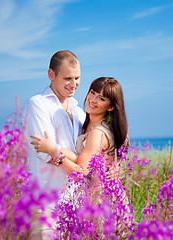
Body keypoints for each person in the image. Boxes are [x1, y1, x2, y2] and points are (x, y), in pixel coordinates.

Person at [30, 77, 132, 238]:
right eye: (92, 92)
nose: (93, 99)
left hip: (103, 204)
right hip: (98, 199)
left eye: (102, 98)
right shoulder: (86, 123)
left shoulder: (97, 132)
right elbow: (81, 157)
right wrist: (56, 146)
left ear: (111, 107)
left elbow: (81, 173)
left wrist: (54, 152)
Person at [23, 50, 85, 239]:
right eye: (67, 78)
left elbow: (91, 154)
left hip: (75, 208)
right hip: (46, 208)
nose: (73, 84)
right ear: (51, 75)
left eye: (77, 78)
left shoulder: (79, 111)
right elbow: (47, 155)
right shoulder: (38, 104)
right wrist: (83, 169)